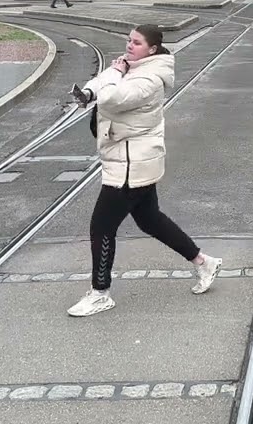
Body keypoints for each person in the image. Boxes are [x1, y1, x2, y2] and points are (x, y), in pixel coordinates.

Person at [67, 24, 222, 317]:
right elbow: (105, 82)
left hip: (130, 165)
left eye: (136, 43)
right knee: (150, 220)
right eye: (129, 40)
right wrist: (89, 91)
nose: (129, 46)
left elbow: (112, 96)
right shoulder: (133, 67)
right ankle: (204, 262)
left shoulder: (149, 79)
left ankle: (100, 293)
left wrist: (113, 74)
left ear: (152, 49)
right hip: (131, 160)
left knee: (101, 228)